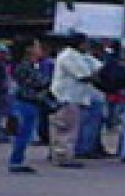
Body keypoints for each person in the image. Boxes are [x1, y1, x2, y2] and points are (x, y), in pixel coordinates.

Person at [49, 33, 97, 169]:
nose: (87, 46)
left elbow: (96, 67)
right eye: (86, 43)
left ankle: (61, 155)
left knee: (65, 128)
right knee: (67, 130)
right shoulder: (69, 56)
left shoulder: (79, 56)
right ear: (80, 43)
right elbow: (84, 76)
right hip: (67, 97)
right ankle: (64, 157)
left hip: (72, 98)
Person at [10, 42, 53, 173]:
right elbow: (41, 81)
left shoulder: (32, 65)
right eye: (37, 47)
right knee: (23, 132)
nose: (40, 50)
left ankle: (18, 159)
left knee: (25, 133)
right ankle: (16, 161)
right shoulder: (24, 66)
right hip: (26, 101)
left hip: (30, 101)